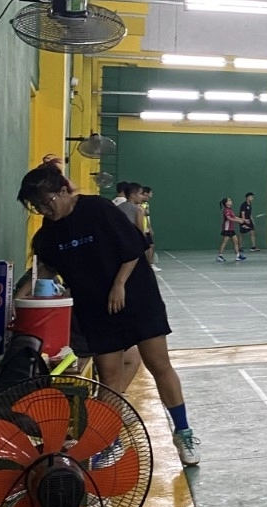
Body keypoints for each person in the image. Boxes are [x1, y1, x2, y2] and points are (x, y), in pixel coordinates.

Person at [17, 161, 200, 466]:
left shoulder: (97, 209)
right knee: (109, 376)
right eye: (36, 207)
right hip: (96, 308)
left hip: (136, 295)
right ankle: (107, 442)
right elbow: (46, 267)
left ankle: (183, 432)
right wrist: (22, 297)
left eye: (47, 202)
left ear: (64, 190)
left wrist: (119, 285)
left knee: (158, 364)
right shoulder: (50, 232)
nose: (44, 210)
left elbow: (133, 247)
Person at [216, 197, 246, 262]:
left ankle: (238, 256)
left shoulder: (230, 210)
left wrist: (242, 219)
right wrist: (238, 221)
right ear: (226, 203)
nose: (231, 201)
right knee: (225, 242)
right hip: (227, 229)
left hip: (231, 229)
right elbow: (229, 218)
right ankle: (219, 256)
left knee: (236, 241)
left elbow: (234, 217)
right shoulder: (226, 210)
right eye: (229, 200)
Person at [139, 186, 159, 272]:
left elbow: (147, 218)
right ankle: (149, 265)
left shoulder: (146, 204)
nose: (152, 194)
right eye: (150, 192)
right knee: (149, 246)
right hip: (142, 229)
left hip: (146, 229)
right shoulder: (140, 204)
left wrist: (149, 227)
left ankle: (149, 265)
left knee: (151, 246)